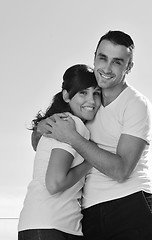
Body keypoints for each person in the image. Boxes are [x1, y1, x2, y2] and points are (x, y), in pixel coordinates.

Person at [34, 31, 152, 239]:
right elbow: (40, 142)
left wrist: (72, 138)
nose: (106, 68)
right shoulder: (87, 104)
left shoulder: (136, 104)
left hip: (130, 204)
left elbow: (121, 170)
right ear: (94, 57)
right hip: (89, 212)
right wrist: (41, 128)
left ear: (128, 67)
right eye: (102, 58)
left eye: (117, 62)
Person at [18, 64, 101, 240]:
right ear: (66, 95)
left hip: (46, 224)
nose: (92, 101)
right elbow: (54, 183)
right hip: (50, 226)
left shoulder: (63, 122)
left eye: (96, 93)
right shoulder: (71, 124)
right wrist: (91, 160)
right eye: (83, 93)